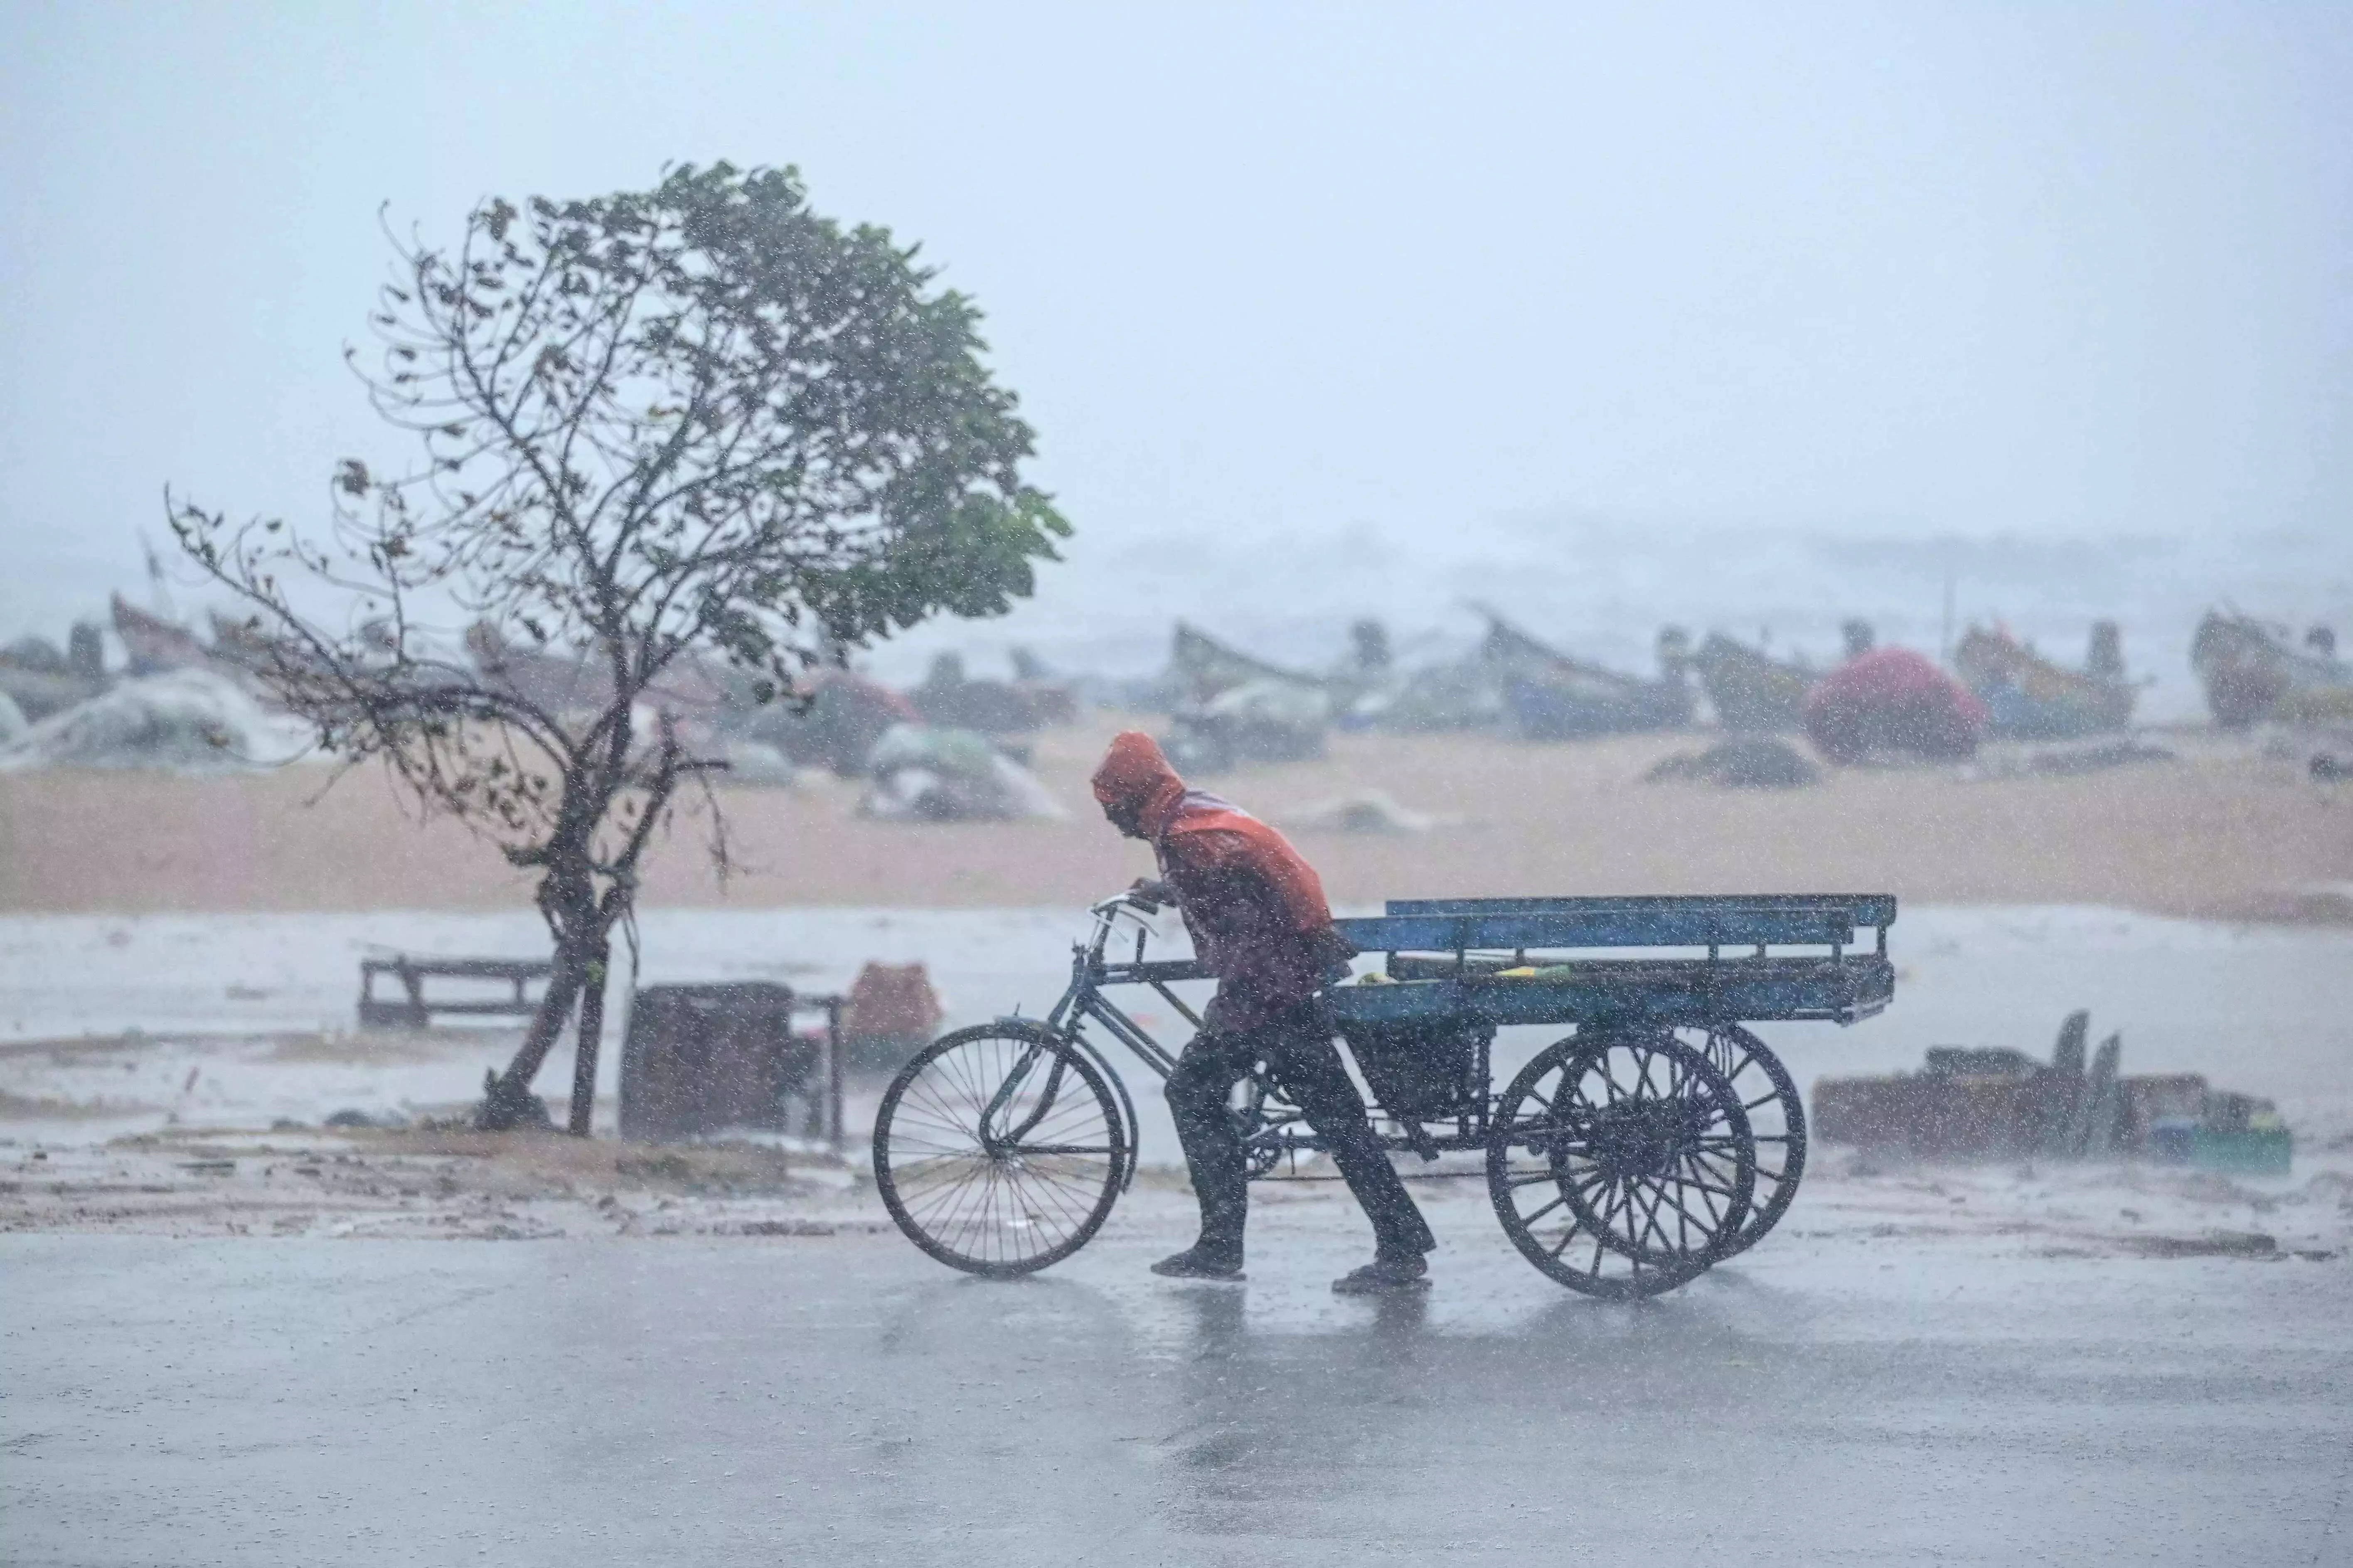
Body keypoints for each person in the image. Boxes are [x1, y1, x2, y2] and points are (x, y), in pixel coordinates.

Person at [1089, 730, 1436, 1293]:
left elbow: (1247, 922)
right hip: (1282, 984)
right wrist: (1167, 889)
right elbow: (1248, 877)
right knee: (1338, 1119)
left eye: (1114, 809)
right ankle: (1398, 1242)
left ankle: (1222, 1246)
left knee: (1193, 1092)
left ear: (1134, 797)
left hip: (1267, 994)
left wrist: (1235, 1006)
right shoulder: (1192, 816)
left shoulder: (1186, 839)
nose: (1113, 822)